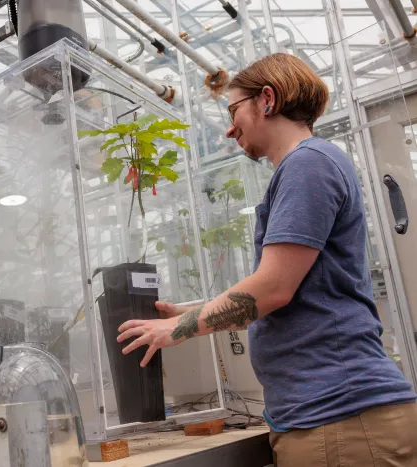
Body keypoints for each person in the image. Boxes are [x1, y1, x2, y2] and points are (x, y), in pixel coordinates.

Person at [116, 53, 417, 466]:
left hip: (340, 419)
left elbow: (272, 289)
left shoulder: (308, 164)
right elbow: (289, 292)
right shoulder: (310, 164)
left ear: (268, 100)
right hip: (330, 418)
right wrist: (186, 310)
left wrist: (179, 329)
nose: (227, 128)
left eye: (234, 109)